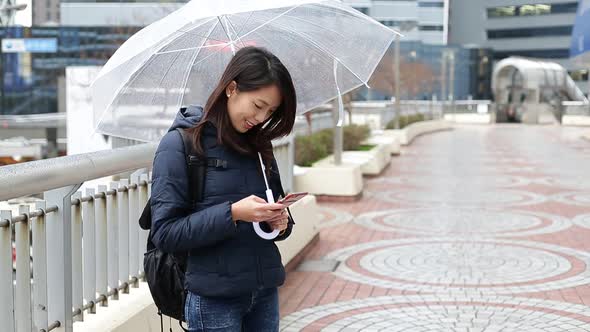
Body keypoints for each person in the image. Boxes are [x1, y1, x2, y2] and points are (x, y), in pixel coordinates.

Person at [150, 46, 297, 332]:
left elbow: (275, 212)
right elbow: (165, 233)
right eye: (258, 105)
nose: (262, 117)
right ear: (232, 89)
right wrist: (232, 214)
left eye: (270, 111)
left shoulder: (259, 146)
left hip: (264, 291)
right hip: (214, 300)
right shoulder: (179, 145)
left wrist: (280, 222)